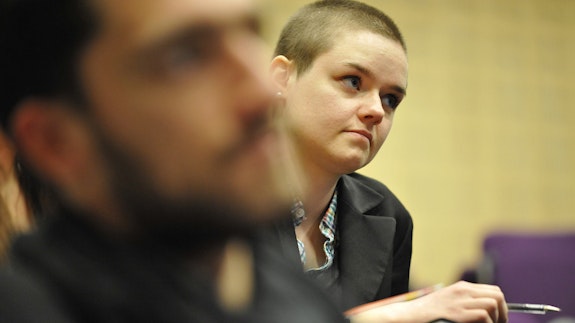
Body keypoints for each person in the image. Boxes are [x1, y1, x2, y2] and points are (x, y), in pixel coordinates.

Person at [0, 0, 349, 322]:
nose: (263, 93)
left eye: (251, 34)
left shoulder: (295, 297)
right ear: (55, 143)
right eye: (185, 58)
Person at [268, 1, 508, 322]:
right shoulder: (212, 192)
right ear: (283, 78)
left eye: (390, 99)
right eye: (353, 81)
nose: (377, 111)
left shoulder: (389, 215)